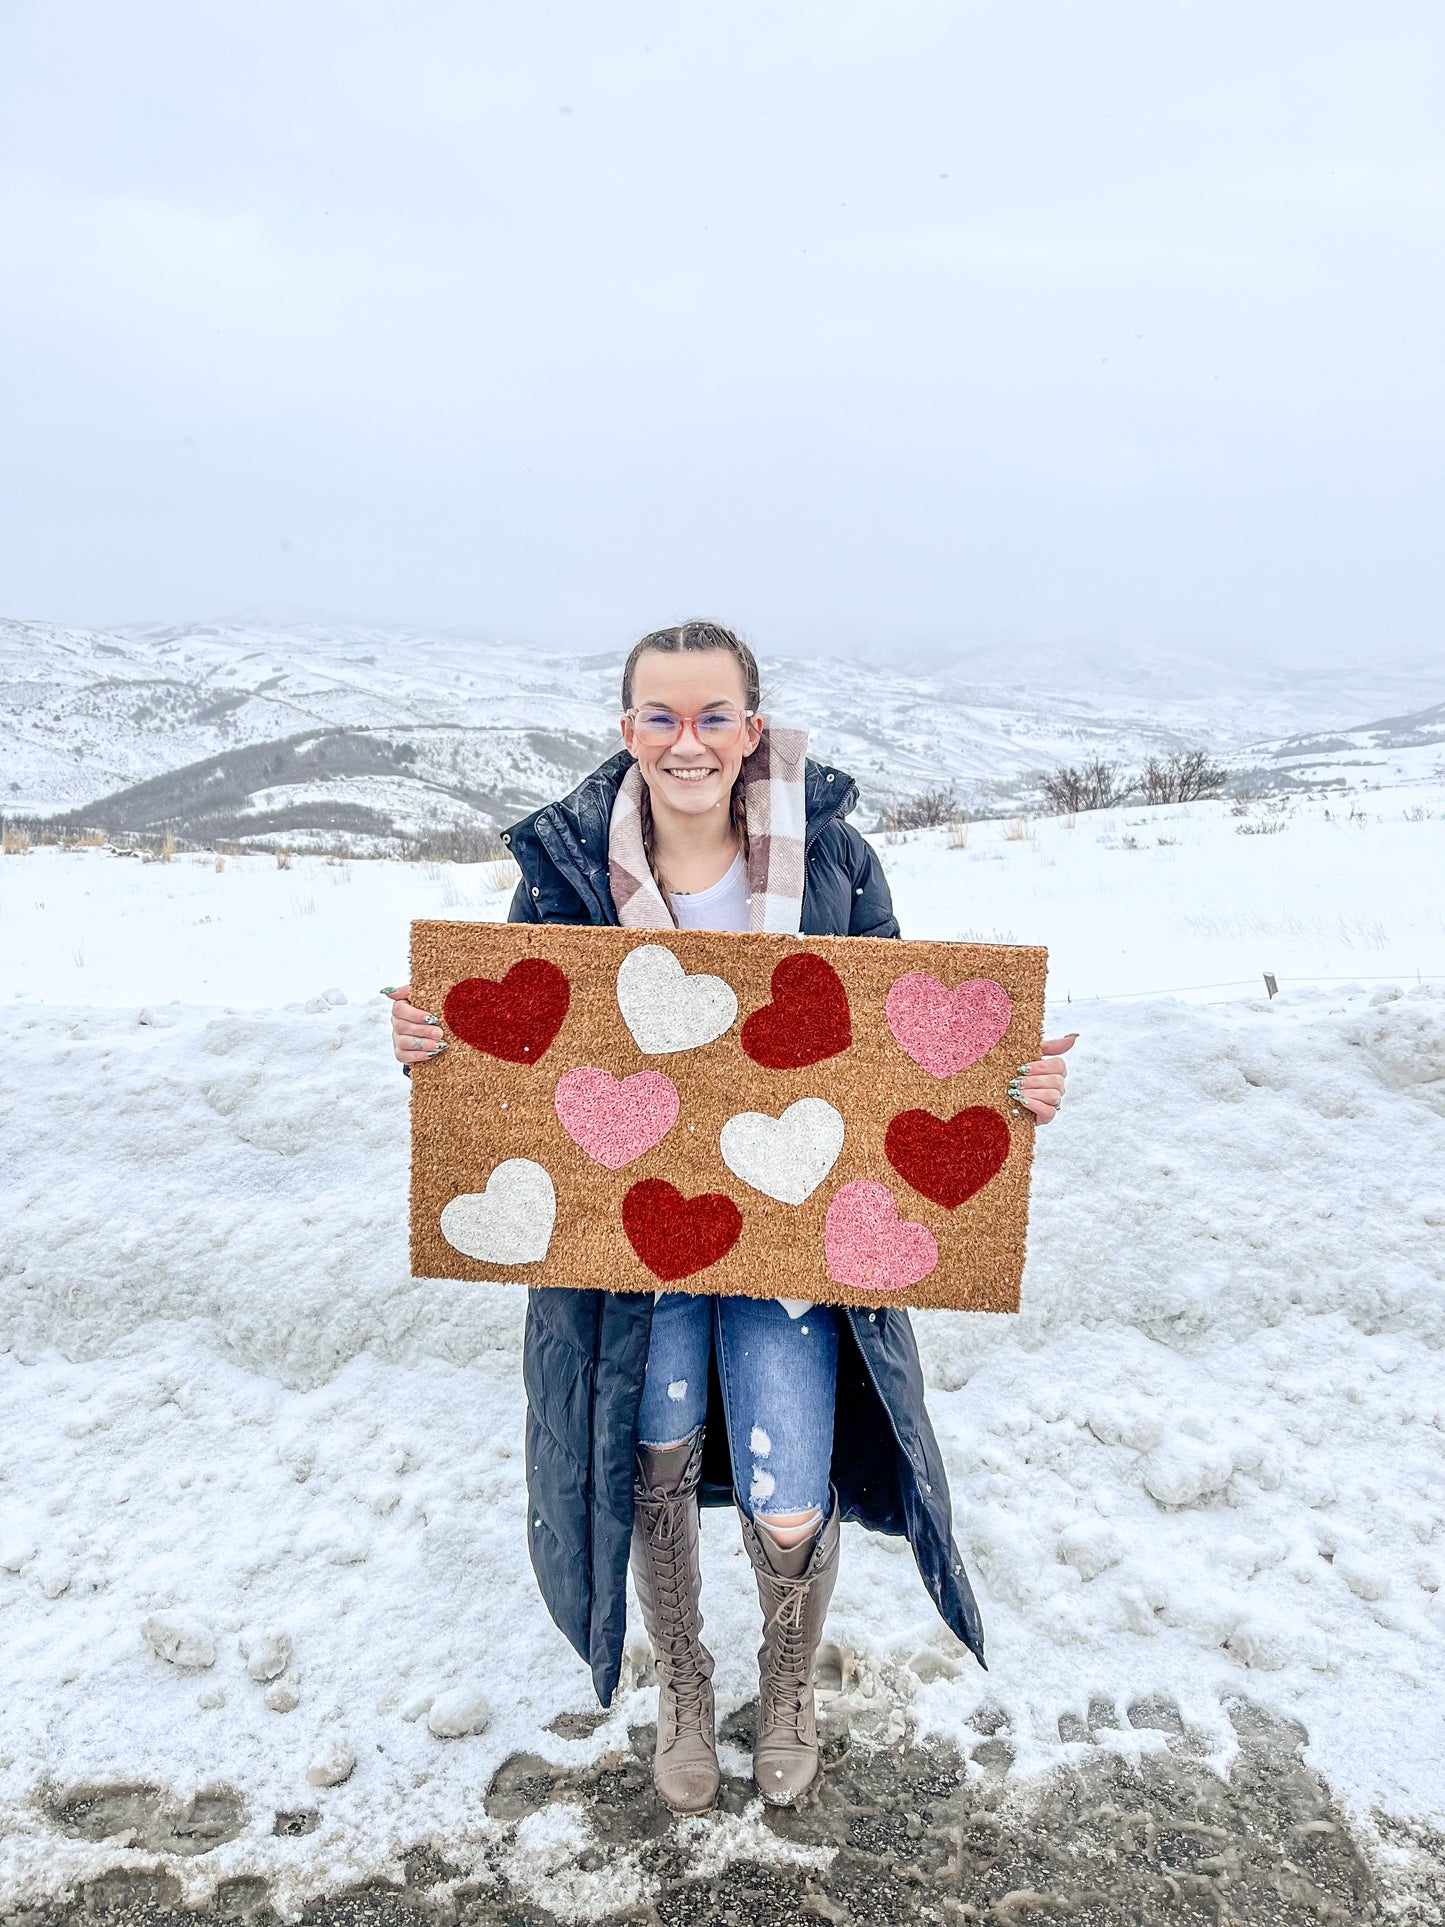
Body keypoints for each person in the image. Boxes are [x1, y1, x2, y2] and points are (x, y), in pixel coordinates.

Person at [387, 620, 1071, 1816]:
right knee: (650, 1456)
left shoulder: (834, 861)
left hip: (789, 1238)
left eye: (712, 716)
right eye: (660, 716)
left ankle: (786, 1680)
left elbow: (896, 1043)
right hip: (630, 1245)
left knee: (788, 1477)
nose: (686, 741)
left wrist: (1005, 1089)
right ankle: (686, 1684)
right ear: (626, 731)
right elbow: (526, 1055)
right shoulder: (562, 874)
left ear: (751, 728)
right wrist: (438, 1050)